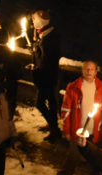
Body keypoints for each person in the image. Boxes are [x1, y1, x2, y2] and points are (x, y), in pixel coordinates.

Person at [56, 60, 102, 175]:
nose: (89, 72)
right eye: (86, 69)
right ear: (82, 71)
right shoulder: (73, 87)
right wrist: (67, 130)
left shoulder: (101, 87)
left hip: (93, 130)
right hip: (78, 129)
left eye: (92, 69)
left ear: (96, 71)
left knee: (94, 155)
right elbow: (66, 110)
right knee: (73, 155)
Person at [30, 9, 62, 141]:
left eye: (34, 19)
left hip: (46, 77)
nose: (33, 21)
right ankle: (52, 124)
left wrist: (36, 66)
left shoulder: (50, 38)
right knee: (52, 102)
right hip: (47, 76)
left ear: (41, 21)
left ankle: (55, 128)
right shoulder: (46, 34)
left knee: (40, 104)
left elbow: (47, 59)